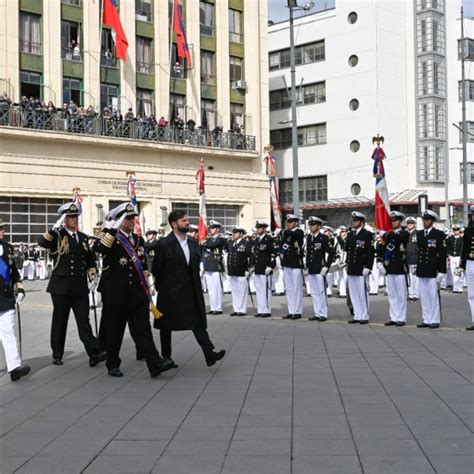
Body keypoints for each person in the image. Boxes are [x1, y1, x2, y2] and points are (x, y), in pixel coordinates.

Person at [93, 202, 173, 377]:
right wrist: (113, 229)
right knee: (116, 330)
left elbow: (142, 262)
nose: (132, 221)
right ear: (119, 219)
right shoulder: (109, 236)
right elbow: (99, 249)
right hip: (116, 293)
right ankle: (112, 363)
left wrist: (146, 282)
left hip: (136, 292)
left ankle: (155, 364)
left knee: (143, 329)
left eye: (132, 217)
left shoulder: (138, 239)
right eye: (127, 218)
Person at [152, 210, 225, 367]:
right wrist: (162, 286)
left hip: (190, 290)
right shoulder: (164, 243)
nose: (187, 223)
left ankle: (209, 353)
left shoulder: (192, 242)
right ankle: (166, 357)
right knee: (166, 325)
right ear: (174, 224)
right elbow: (156, 269)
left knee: (196, 321)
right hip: (169, 291)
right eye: (183, 221)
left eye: (187, 220)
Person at [38, 202, 105, 366]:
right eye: (71, 217)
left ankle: (94, 351)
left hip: (79, 286)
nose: (75, 220)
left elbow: (89, 259)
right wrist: (53, 229)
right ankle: (57, 353)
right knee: (60, 320)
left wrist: (92, 271)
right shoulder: (57, 236)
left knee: (83, 320)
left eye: (76, 217)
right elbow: (42, 243)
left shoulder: (82, 237)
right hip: (60, 286)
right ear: (64, 219)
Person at [0, 219, 30, 382]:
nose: (2, 231)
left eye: (2, 228)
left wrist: (19, 287)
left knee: (8, 332)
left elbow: (13, 272)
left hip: (5, 296)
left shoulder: (8, 247)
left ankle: (14, 368)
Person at [415, 210, 446, 329]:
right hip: (422, 268)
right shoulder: (419, 234)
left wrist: (442, 271)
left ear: (432, 221)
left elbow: (442, 253)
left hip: (433, 270)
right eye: (423, 219)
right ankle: (426, 319)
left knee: (433, 296)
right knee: (424, 296)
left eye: (427, 220)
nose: (424, 222)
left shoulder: (438, 234)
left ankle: (434, 319)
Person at [377, 211, 409, 327]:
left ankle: (401, 317)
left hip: (400, 268)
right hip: (389, 267)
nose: (393, 223)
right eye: (392, 221)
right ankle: (394, 317)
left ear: (400, 221)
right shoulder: (388, 234)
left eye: (395, 221)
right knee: (392, 294)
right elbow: (381, 248)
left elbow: (399, 238)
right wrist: (380, 262)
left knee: (401, 294)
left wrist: (385, 234)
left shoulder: (404, 233)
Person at [346, 211, 374, 325]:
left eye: (356, 220)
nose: (354, 222)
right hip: (352, 268)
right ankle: (357, 315)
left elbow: (370, 252)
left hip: (362, 268)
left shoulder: (366, 234)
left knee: (362, 294)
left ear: (362, 222)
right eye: (353, 220)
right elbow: (348, 251)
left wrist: (368, 267)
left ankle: (364, 315)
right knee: (354, 294)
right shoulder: (350, 234)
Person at [306, 216, 334, 322]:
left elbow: (331, 253)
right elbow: (309, 254)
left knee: (321, 292)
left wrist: (326, 266)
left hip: (320, 269)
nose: (311, 227)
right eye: (310, 225)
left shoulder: (323, 238)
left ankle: (323, 313)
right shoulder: (309, 238)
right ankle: (317, 313)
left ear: (318, 226)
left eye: (313, 225)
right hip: (312, 268)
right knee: (313, 292)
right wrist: (307, 266)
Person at [280, 214, 305, 320]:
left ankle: (298, 311)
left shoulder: (299, 232)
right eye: (288, 222)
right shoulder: (287, 233)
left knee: (297, 288)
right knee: (289, 288)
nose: (288, 224)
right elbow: (282, 245)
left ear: (296, 223)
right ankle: (291, 310)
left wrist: (283, 232)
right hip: (287, 263)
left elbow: (293, 235)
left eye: (290, 222)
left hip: (296, 263)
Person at [252, 221, 277, 318]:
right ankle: (260, 309)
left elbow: (275, 254)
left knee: (266, 290)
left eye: (259, 228)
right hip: (258, 268)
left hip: (266, 268)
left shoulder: (270, 239)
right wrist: (252, 267)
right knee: (259, 290)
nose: (257, 230)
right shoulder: (256, 240)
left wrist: (271, 266)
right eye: (257, 228)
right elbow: (255, 255)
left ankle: (267, 310)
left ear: (264, 229)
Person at [202, 220, 226, 315]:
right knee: (211, 289)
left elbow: (211, 245)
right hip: (208, 265)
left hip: (216, 266)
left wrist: (205, 244)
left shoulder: (221, 239)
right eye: (210, 228)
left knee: (217, 288)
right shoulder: (209, 239)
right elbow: (205, 247)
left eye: (213, 228)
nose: (211, 230)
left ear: (218, 229)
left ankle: (218, 308)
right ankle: (213, 307)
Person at [227, 226, 252, 316]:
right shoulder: (231, 243)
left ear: (241, 234)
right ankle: (236, 309)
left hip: (241, 270)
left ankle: (242, 309)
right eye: (233, 232)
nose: (234, 234)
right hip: (232, 270)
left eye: (236, 232)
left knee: (242, 291)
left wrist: (248, 269)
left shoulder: (246, 243)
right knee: (234, 291)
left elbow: (250, 257)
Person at [460, 205, 474, 330]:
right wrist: (461, 265)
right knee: (471, 294)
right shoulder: (468, 231)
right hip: (470, 263)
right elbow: (464, 248)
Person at [446, 225, 464, 294]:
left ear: (459, 230)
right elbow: (446, 245)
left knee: (459, 272)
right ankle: (455, 287)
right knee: (453, 272)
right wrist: (448, 254)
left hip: (459, 257)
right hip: (452, 257)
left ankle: (460, 288)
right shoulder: (450, 238)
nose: (456, 231)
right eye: (454, 230)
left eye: (457, 230)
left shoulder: (462, 239)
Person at [406, 217, 419, 301]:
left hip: (415, 258)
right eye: (408, 223)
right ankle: (410, 293)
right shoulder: (405, 234)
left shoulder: (417, 233)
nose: (409, 225)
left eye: (411, 223)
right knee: (408, 277)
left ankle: (416, 294)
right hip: (407, 258)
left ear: (414, 224)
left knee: (415, 277)